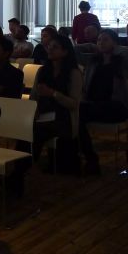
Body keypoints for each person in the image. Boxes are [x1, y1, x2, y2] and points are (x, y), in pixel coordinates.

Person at [77, 29, 128, 175]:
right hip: (94, 105)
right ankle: (89, 157)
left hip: (116, 107)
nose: (101, 43)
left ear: (115, 42)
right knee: (75, 114)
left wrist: (116, 48)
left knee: (78, 111)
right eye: (99, 40)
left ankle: (89, 159)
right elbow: (74, 51)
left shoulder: (121, 62)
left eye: (106, 39)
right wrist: (91, 45)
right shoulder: (93, 62)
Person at [30, 33, 83, 172]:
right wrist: (33, 111)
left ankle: (23, 167)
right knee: (28, 129)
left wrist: (53, 93)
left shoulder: (73, 73)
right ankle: (22, 166)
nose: (50, 49)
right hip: (44, 114)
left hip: (64, 118)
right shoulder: (42, 71)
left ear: (65, 52)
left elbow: (74, 104)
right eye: (49, 46)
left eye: (55, 47)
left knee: (36, 132)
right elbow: (33, 96)